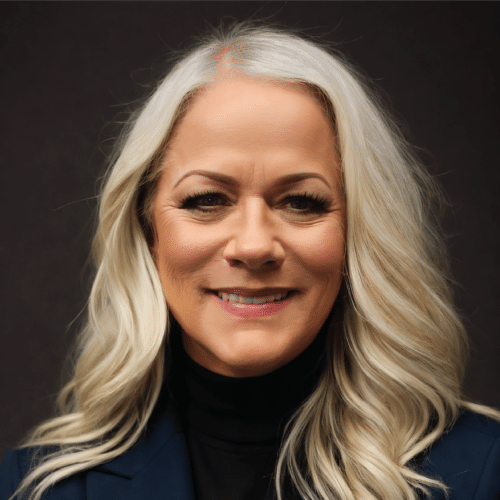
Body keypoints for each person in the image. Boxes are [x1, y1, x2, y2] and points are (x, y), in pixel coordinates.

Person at [1, 22, 499, 500]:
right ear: (147, 229)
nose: (254, 245)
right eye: (206, 200)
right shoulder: (31, 490)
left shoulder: (484, 472)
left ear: (360, 231)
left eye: (302, 201)